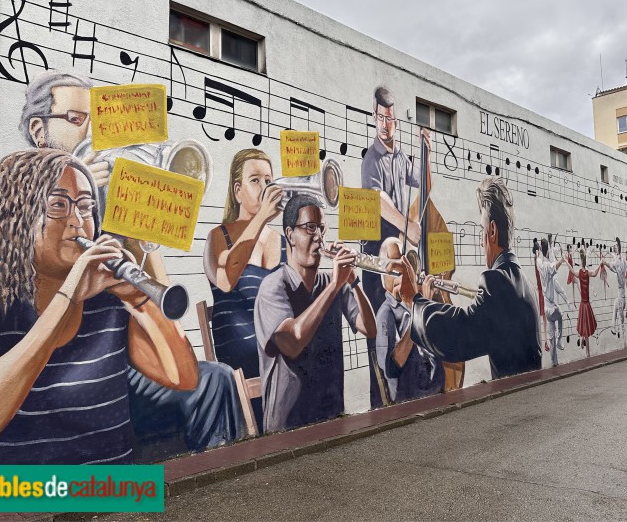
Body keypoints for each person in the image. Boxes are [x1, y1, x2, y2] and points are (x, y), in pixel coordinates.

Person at [0, 150, 199, 467]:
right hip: (6, 506)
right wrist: (68, 296)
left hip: (106, 498)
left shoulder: (108, 302)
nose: (77, 222)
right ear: (16, 218)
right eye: (58, 205)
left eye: (85, 206)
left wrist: (139, 298)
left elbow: (184, 377)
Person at [20, 70, 244, 453]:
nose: (91, 135)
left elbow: (156, 297)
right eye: (77, 121)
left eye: (98, 124)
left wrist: (147, 235)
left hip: (116, 355)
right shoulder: (19, 194)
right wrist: (71, 188)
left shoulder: (103, 199)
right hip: (51, 369)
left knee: (214, 380)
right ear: (40, 131)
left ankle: (219, 488)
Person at [396, 177, 541, 380]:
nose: (482, 242)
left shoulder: (497, 281)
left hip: (515, 405)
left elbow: (459, 336)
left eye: (482, 230)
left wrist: (415, 301)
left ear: (491, 231)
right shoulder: (523, 283)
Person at [254, 194, 376, 433]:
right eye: (310, 228)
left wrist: (353, 281)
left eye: (321, 228)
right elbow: (293, 342)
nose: (319, 237)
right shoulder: (273, 287)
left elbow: (369, 329)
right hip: (286, 426)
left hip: (331, 415)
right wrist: (335, 285)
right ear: (290, 234)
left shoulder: (332, 282)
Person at [204, 149, 285, 431]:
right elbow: (225, 280)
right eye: (255, 180)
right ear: (238, 191)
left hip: (280, 350)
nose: (265, 189)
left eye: (268, 180)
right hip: (244, 355)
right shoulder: (218, 236)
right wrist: (260, 218)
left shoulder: (283, 241)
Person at [360, 86, 429, 407]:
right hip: (378, 259)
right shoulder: (370, 158)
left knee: (409, 320)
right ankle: (382, 402)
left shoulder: (402, 158)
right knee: (382, 331)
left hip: (400, 256)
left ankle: (411, 391)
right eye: (380, 118)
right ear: (374, 118)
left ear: (396, 121)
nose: (385, 124)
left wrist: (427, 156)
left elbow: (424, 185)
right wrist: (407, 225)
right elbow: (377, 201)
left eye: (390, 118)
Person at [374, 238, 444, 403]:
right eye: (395, 263)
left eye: (404, 263)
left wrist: (432, 303)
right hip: (408, 398)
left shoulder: (411, 303)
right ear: (383, 273)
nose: (402, 269)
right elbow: (391, 369)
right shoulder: (386, 313)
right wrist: (420, 310)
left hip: (434, 388)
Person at [539, 238, 568, 367]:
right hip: (552, 308)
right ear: (547, 251)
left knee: (550, 336)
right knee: (561, 315)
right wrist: (561, 260)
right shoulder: (547, 267)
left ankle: (554, 362)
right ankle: (560, 340)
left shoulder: (539, 263)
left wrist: (538, 253)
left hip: (546, 308)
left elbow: (541, 259)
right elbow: (553, 266)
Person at [567, 249, 600, 357]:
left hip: (583, 303)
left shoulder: (580, 273)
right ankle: (588, 352)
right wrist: (600, 263)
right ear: (585, 261)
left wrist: (566, 261)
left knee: (584, 325)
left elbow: (571, 271)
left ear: (581, 261)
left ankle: (583, 343)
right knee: (586, 326)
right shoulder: (587, 272)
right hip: (586, 303)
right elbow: (595, 273)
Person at [604, 238, 627, 339]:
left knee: (621, 317)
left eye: (616, 247)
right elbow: (618, 260)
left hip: (621, 294)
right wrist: (612, 254)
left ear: (619, 248)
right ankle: (614, 327)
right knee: (616, 306)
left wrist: (604, 262)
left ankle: (620, 332)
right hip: (621, 292)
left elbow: (612, 265)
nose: (615, 248)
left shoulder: (619, 262)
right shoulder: (621, 260)